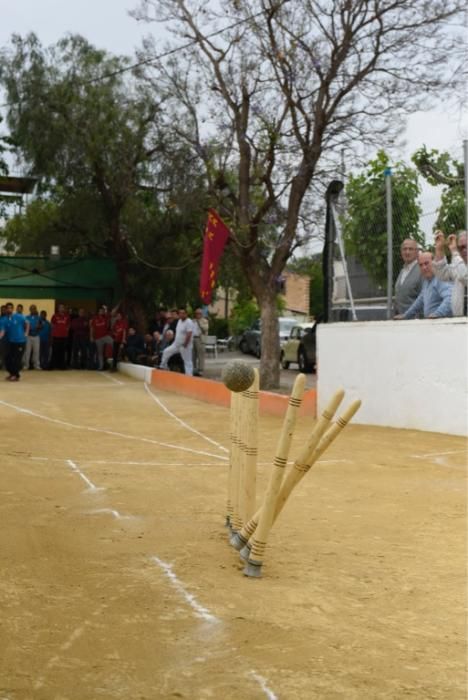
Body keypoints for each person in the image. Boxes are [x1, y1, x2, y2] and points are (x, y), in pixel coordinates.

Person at [395, 252, 453, 319]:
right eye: (421, 265)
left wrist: (438, 313)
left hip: (443, 324)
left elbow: (450, 298)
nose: (424, 267)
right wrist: (405, 315)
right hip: (434, 323)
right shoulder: (427, 281)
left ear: (434, 263)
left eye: (426, 263)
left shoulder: (440, 278)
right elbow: (419, 301)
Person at [433, 230, 467, 316]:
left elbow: (465, 277)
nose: (464, 250)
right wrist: (439, 249)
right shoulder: (458, 265)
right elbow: (442, 273)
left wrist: (455, 252)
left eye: (466, 246)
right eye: (460, 248)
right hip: (460, 320)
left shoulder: (458, 263)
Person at [159, 307, 194, 376]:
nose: (182, 314)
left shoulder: (189, 322)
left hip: (185, 345)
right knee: (166, 352)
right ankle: (164, 367)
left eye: (183, 313)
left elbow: (189, 334)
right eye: (180, 313)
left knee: (187, 361)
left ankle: (189, 376)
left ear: (186, 314)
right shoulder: (179, 321)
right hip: (176, 344)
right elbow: (177, 332)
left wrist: (185, 344)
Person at [0, 302, 29, 381]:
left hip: (20, 342)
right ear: (5, 309)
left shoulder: (18, 316)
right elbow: (2, 331)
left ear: (13, 309)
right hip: (11, 343)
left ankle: (16, 375)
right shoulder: (3, 320)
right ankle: (12, 373)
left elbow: (27, 323)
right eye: (7, 308)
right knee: (7, 358)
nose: (9, 309)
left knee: (17, 359)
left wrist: (26, 333)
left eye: (10, 308)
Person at [394, 238, 422, 315]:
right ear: (401, 252)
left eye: (411, 249)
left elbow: (424, 298)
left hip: (416, 321)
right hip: (401, 320)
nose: (407, 252)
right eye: (404, 249)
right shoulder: (402, 271)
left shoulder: (421, 270)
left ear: (417, 252)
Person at [89, 306, 113, 370]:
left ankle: (117, 357)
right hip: (97, 338)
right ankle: (100, 367)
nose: (101, 312)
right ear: (98, 312)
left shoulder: (106, 317)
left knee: (114, 343)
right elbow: (92, 328)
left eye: (102, 311)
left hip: (105, 336)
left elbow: (112, 312)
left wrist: (106, 308)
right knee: (100, 353)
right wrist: (91, 337)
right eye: (100, 311)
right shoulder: (94, 318)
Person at [50, 304, 70, 369]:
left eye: (62, 307)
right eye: (60, 307)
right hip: (56, 336)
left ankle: (61, 366)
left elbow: (68, 325)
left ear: (64, 309)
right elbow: (52, 325)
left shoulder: (67, 316)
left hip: (64, 336)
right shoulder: (54, 316)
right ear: (58, 309)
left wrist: (66, 330)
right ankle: (53, 365)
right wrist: (56, 331)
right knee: (55, 351)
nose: (61, 308)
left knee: (62, 351)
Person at [23, 304, 42, 370]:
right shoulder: (27, 317)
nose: (33, 310)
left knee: (36, 351)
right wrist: (28, 328)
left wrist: (38, 327)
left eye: (34, 308)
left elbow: (41, 326)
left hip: (36, 336)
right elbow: (24, 326)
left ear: (36, 309)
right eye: (31, 308)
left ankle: (36, 365)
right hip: (28, 336)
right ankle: (26, 365)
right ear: (30, 309)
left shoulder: (39, 317)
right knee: (27, 352)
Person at [192, 308, 209, 376]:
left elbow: (205, 329)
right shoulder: (193, 321)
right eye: (196, 313)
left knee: (200, 355)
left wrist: (199, 323)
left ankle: (201, 370)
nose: (197, 315)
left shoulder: (205, 321)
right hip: (193, 339)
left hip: (200, 339)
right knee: (193, 355)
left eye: (199, 313)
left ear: (201, 314)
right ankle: (194, 369)